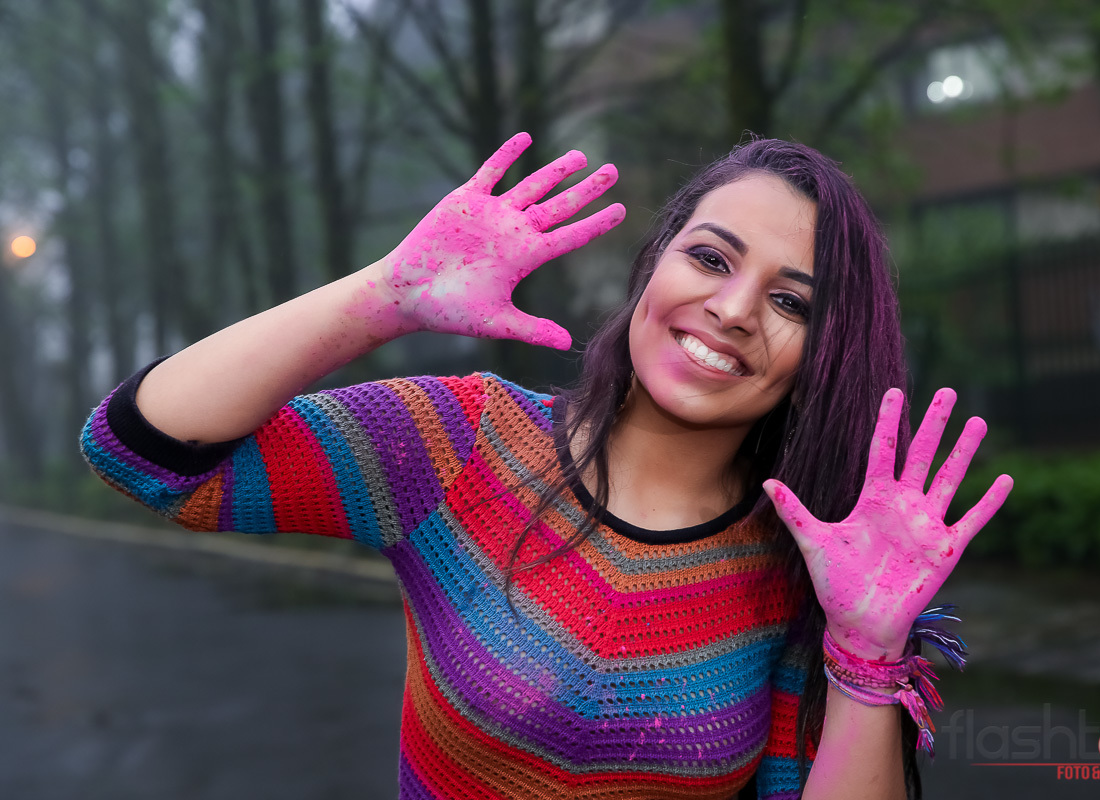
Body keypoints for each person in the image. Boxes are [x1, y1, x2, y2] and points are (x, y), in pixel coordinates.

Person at [81, 132, 1012, 799]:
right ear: (654, 265)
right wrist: (382, 297)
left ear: (824, 355)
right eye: (710, 257)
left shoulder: (810, 567)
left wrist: (865, 650)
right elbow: (142, 453)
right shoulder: (460, 442)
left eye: (792, 302)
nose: (733, 310)